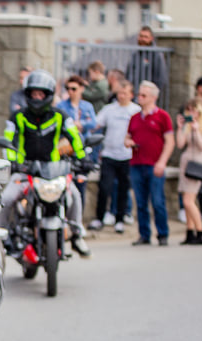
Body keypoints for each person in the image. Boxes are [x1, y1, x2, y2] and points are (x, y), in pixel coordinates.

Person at [0, 69, 91, 257]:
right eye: (34, 94)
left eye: (41, 94)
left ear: (48, 95)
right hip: (26, 170)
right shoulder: (17, 117)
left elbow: (75, 139)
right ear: (28, 94)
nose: (37, 97)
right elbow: (9, 142)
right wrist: (13, 162)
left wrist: (83, 159)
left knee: (74, 196)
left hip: (55, 171)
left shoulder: (61, 116)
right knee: (6, 198)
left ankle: (76, 235)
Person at [125, 81, 174, 246]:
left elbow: (169, 141)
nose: (140, 97)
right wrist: (128, 141)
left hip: (154, 164)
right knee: (140, 202)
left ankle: (162, 234)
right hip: (137, 163)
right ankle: (144, 235)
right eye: (139, 94)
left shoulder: (162, 116)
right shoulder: (134, 118)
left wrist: (162, 162)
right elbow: (128, 136)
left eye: (143, 95)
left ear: (153, 97)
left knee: (158, 201)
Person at [92, 80, 140, 233]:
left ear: (131, 95)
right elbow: (96, 124)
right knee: (104, 188)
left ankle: (119, 219)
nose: (121, 96)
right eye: (119, 93)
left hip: (126, 156)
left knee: (123, 189)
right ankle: (99, 218)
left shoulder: (136, 111)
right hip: (109, 155)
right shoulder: (109, 109)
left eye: (125, 93)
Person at [175, 98, 202, 245]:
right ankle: (189, 232)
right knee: (187, 201)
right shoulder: (187, 125)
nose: (191, 113)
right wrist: (181, 127)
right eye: (188, 110)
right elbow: (180, 144)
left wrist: (197, 130)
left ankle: (200, 231)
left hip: (197, 163)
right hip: (186, 162)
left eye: (193, 110)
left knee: (188, 201)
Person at [58, 75, 97, 205]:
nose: (70, 92)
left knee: (80, 187)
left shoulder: (87, 106)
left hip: (82, 150)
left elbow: (93, 123)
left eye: (74, 89)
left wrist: (81, 124)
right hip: (65, 150)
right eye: (67, 88)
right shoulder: (61, 105)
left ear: (81, 89)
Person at [125, 26, 169, 96]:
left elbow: (161, 78)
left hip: (148, 96)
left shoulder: (157, 55)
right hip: (135, 95)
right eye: (141, 36)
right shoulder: (135, 54)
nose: (142, 39)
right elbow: (129, 74)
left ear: (151, 38)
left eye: (145, 37)